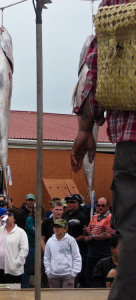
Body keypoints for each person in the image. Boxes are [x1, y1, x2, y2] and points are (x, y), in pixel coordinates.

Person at [70, 0, 136, 298]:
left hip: (131, 143)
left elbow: (95, 67)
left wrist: (86, 128)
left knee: (132, 227)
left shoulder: (116, 2)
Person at [0, 208, 28, 284]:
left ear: (15, 219)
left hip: (13, 270)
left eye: (10, 215)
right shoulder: (0, 229)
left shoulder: (20, 232)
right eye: (6, 214)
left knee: (13, 294)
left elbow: (24, 250)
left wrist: (17, 263)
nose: (7, 216)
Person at [84, 197, 116, 287]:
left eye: (103, 205)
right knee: (90, 276)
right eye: (98, 205)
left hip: (104, 253)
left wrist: (92, 236)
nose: (100, 207)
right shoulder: (94, 217)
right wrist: (88, 236)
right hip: (91, 253)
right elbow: (88, 234)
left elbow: (108, 234)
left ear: (108, 207)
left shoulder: (110, 218)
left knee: (103, 278)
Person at [44, 219, 82, 288]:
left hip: (68, 274)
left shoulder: (71, 240)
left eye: (59, 227)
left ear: (65, 229)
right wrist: (48, 272)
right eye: (55, 227)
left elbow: (76, 256)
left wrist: (74, 272)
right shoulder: (50, 241)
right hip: (53, 274)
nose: (56, 229)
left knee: (67, 296)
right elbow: (47, 257)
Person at [62, 194, 89, 287]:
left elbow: (85, 234)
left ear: (78, 203)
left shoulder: (82, 216)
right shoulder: (64, 216)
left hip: (79, 249)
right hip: (65, 250)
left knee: (77, 273)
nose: (69, 204)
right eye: (68, 202)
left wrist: (73, 241)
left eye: (72, 202)